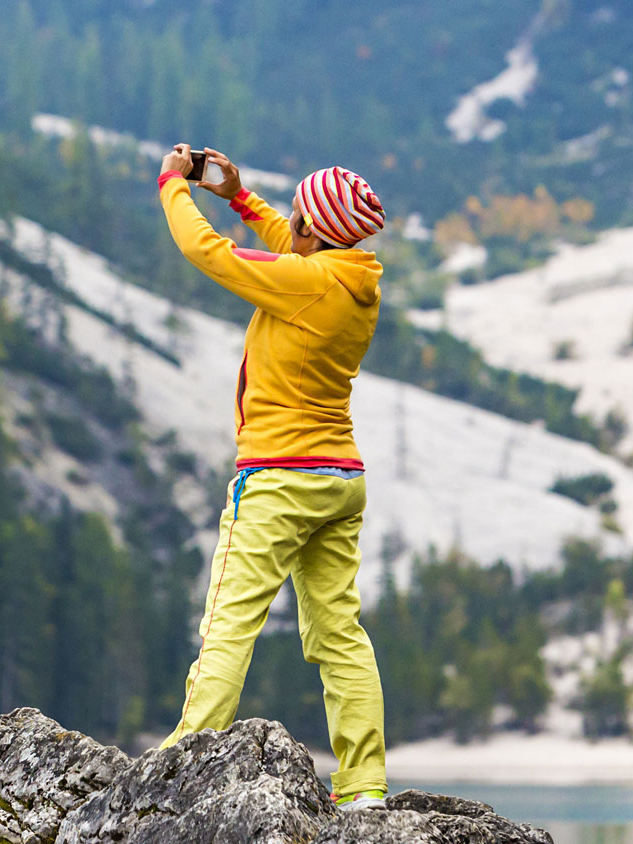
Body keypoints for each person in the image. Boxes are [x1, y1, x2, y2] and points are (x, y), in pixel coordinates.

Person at [153, 144, 390, 812]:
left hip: (279, 477)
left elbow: (209, 254)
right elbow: (296, 243)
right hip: (339, 478)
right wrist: (239, 197)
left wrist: (176, 187)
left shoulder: (306, 282)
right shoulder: (352, 278)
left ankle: (180, 769)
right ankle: (365, 786)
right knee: (339, 633)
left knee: (230, 623)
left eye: (296, 217)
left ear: (318, 230)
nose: (289, 225)